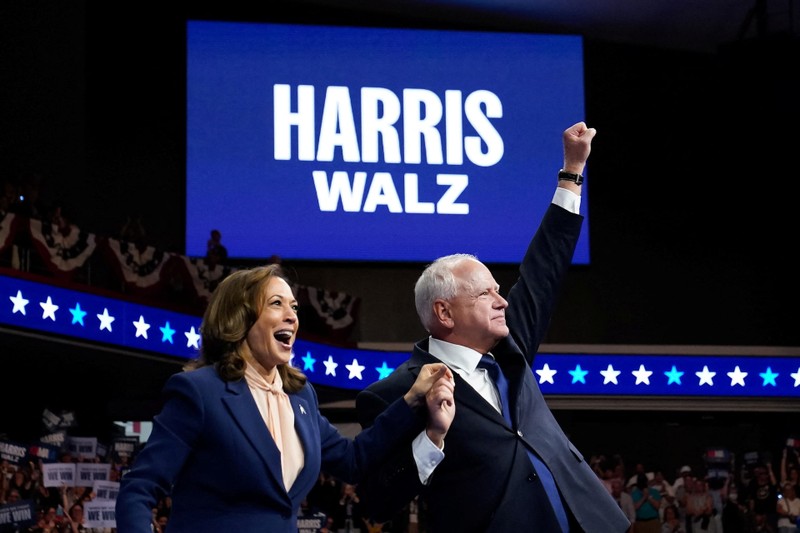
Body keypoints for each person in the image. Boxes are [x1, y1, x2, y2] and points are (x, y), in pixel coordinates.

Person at [355, 122, 630, 532]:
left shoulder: (508, 347)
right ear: (444, 313)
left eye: (498, 290)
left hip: (590, 521)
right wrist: (430, 438)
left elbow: (544, 269)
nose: (503, 301)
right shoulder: (395, 394)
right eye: (485, 294)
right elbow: (377, 501)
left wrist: (572, 170)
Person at [115, 264, 456, 532]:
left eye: (294, 307)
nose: (292, 316)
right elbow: (139, 489)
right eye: (276, 304)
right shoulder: (199, 392)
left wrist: (411, 400)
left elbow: (353, 461)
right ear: (240, 317)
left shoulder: (300, 397)